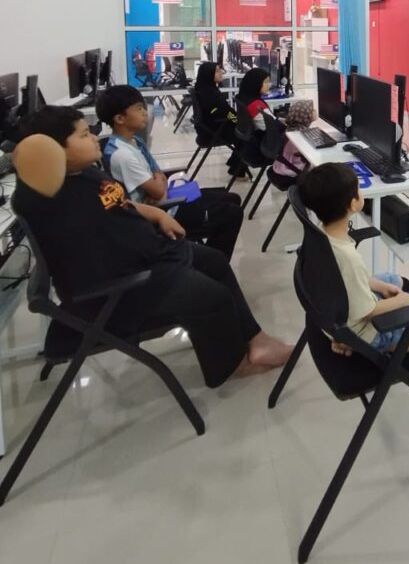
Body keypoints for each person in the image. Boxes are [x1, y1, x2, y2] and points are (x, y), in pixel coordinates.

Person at [12, 107, 293, 386]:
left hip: (149, 257)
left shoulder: (83, 172)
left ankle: (257, 340)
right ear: (51, 152)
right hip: (122, 286)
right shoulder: (49, 198)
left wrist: (157, 214)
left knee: (214, 261)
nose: (94, 138)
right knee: (213, 297)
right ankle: (235, 365)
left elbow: (120, 203)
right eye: (84, 135)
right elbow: (33, 190)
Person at [297, 162, 409, 355]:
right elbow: (367, 313)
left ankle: (347, 336)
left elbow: (347, 280)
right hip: (363, 331)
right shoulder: (348, 258)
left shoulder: (320, 235)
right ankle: (387, 346)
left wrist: (380, 287)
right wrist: (404, 300)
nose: (361, 192)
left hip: (334, 309)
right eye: (359, 189)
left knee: (392, 280)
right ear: (353, 203)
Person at [96, 85, 243, 260]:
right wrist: (158, 184)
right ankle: (214, 263)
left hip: (163, 200)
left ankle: (212, 258)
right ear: (120, 118)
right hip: (160, 212)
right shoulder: (123, 155)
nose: (145, 112)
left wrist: (157, 182)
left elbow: (158, 175)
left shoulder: (134, 141)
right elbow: (158, 191)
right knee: (231, 213)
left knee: (232, 198)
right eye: (139, 108)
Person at [193, 62, 243, 177]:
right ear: (208, 74)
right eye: (217, 71)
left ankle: (234, 163)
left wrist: (236, 118)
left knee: (244, 131)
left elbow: (223, 111)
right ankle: (237, 171)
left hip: (209, 129)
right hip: (213, 132)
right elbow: (224, 112)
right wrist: (238, 120)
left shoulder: (204, 88)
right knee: (246, 136)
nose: (221, 72)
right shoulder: (210, 93)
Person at [271, 99, 314, 180]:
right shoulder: (300, 134)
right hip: (290, 170)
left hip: (280, 165)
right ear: (307, 115)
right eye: (312, 111)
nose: (315, 112)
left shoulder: (290, 128)